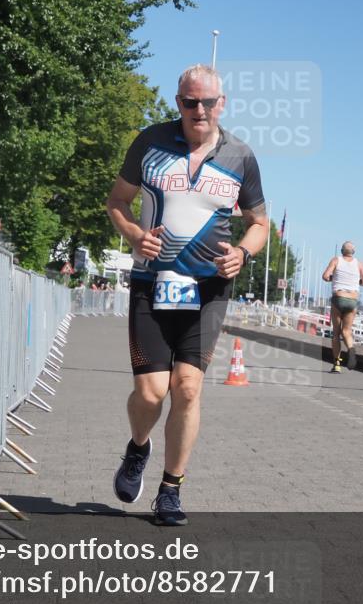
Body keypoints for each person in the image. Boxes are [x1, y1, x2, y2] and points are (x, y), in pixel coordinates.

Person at [105, 63, 268, 525]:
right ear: (178, 102)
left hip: (209, 288)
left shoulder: (241, 156)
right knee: (151, 393)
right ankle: (138, 448)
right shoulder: (150, 142)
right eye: (189, 102)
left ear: (222, 104)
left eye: (208, 102)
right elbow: (116, 201)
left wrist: (242, 253)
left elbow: (259, 223)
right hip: (151, 282)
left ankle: (171, 490)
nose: (199, 110)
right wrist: (135, 236)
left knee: (188, 388)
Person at [322, 242, 363, 372]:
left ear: (342, 251)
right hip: (352, 300)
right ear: (353, 252)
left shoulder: (336, 260)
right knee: (347, 331)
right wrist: (355, 281)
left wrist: (334, 278)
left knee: (336, 333)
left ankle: (337, 364)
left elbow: (325, 276)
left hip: (339, 298)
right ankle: (351, 349)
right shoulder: (359, 264)